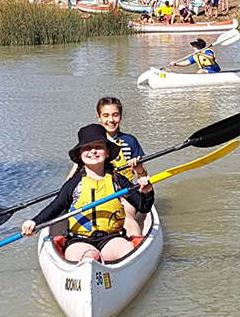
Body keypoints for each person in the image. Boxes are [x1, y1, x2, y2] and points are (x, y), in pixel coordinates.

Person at [21, 124, 154, 262]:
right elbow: (55, 207)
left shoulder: (119, 181)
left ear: (107, 152)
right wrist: (35, 222)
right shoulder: (73, 183)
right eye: (87, 148)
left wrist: (147, 190)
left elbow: (144, 207)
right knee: (89, 257)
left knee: (127, 249)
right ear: (80, 154)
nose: (93, 152)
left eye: (99, 147)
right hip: (79, 241)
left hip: (112, 238)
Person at [66, 98, 149, 236]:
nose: (111, 120)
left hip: (124, 194)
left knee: (126, 216)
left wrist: (139, 169)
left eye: (115, 115)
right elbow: (72, 177)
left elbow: (143, 176)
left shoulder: (129, 141)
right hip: (93, 192)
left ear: (120, 117)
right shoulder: (90, 141)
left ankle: (133, 245)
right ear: (99, 117)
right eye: (106, 115)